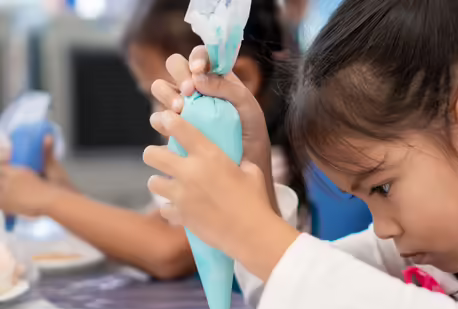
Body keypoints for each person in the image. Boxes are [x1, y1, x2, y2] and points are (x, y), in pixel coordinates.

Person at [145, 0, 458, 309]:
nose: (381, 230)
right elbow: (292, 304)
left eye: (381, 188)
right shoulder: (436, 246)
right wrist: (249, 163)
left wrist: (250, 230)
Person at [0, 0, 302, 280]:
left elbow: (166, 252)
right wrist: (58, 190)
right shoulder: (206, 159)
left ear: (242, 78)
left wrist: (46, 200)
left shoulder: (262, 166)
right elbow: (139, 233)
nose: (156, 114)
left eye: (166, 94)